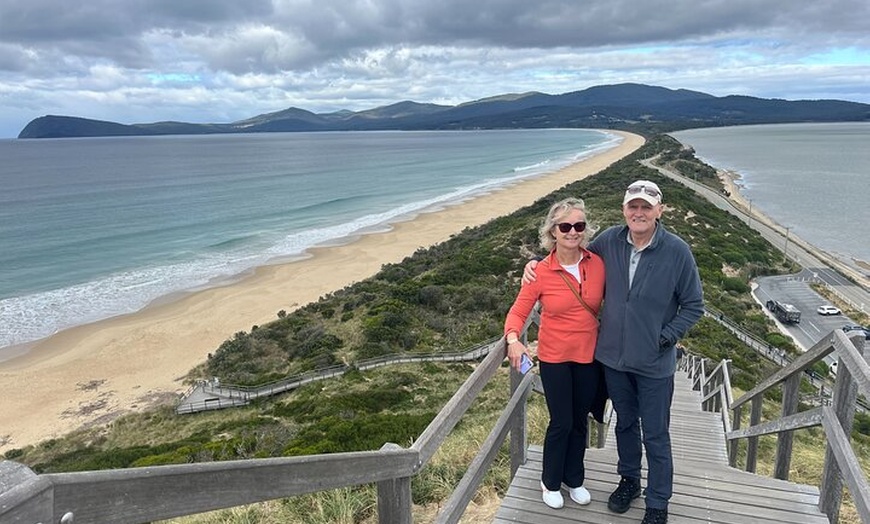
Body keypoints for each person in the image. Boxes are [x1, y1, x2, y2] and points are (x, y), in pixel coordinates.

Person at [523, 180, 704, 524]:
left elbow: (694, 306)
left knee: (655, 433)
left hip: (654, 363)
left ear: (659, 211)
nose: (639, 213)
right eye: (633, 206)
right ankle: (629, 481)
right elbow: (571, 249)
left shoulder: (677, 251)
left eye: (646, 207)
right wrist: (535, 262)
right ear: (624, 211)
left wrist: (664, 337)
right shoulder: (610, 241)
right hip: (614, 362)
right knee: (624, 425)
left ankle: (658, 502)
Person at [504, 197, 605, 510]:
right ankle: (550, 481)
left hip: (588, 357)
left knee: (580, 421)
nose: (573, 232)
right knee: (561, 421)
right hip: (554, 357)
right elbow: (519, 311)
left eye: (579, 225)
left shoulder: (597, 263)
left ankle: (574, 478)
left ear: (585, 230)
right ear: (553, 232)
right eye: (565, 226)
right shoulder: (541, 271)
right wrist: (513, 339)